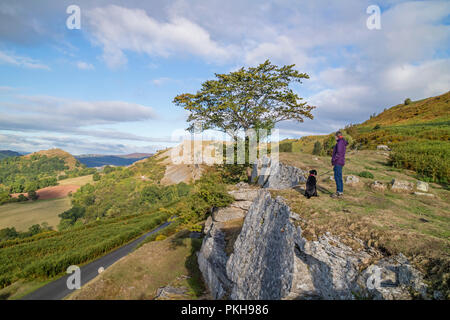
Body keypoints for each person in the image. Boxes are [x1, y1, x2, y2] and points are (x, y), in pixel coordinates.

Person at [331, 131, 348, 198]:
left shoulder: (340, 143)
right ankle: (340, 192)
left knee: (337, 177)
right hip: (340, 162)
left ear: (337, 136)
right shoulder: (342, 142)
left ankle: (339, 192)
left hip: (338, 162)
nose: (334, 138)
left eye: (335, 136)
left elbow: (339, 153)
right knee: (339, 177)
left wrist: (333, 160)